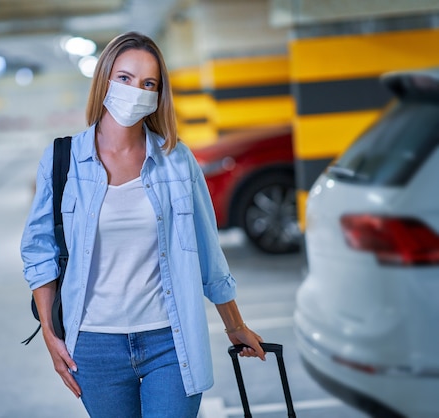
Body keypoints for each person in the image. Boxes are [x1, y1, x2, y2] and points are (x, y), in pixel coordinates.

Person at [21, 31, 265, 418]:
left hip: (171, 340)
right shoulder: (62, 159)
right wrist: (51, 336)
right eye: (125, 78)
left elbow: (207, 252)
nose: (136, 91)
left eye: (148, 83)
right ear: (104, 80)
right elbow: (40, 254)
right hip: (95, 346)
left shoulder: (176, 160)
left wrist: (234, 324)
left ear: (158, 95)